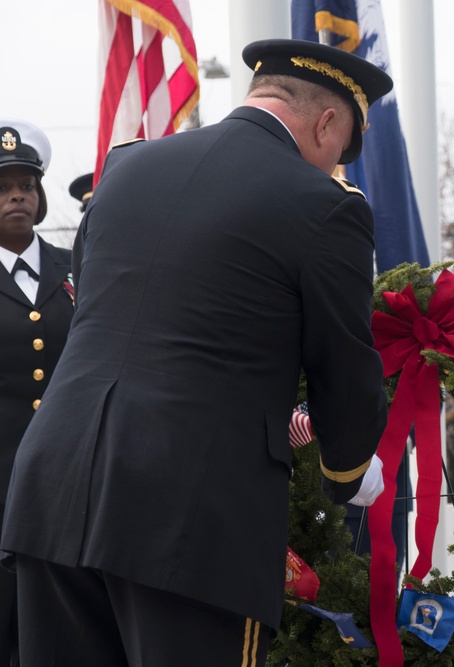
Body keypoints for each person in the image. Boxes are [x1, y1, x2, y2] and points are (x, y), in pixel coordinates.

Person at [1, 39, 391, 666]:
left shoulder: (125, 168)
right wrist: (346, 471)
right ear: (326, 125)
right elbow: (342, 368)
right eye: (339, 155)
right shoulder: (325, 207)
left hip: (54, 490)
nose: (336, 171)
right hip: (187, 519)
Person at [0, 119, 75, 666]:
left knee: (68, 621)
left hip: (71, 478)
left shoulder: (77, 271)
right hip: (2, 482)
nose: (16, 195)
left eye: (25, 184)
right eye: (3, 188)